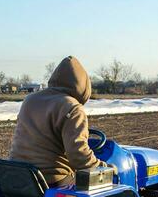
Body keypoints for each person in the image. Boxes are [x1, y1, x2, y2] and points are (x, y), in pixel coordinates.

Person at [10, 55, 102, 187]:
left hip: (17, 174)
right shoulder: (72, 107)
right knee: (104, 182)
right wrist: (102, 167)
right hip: (50, 179)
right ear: (83, 85)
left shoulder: (30, 99)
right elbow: (78, 156)